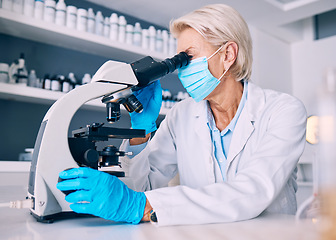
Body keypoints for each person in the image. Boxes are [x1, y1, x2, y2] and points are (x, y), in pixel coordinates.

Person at [57, 4, 307, 226]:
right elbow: (143, 189)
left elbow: (252, 192)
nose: (181, 71)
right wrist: (141, 131)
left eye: (188, 58)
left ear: (228, 55)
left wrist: (138, 205)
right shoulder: (181, 115)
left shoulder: (283, 112)